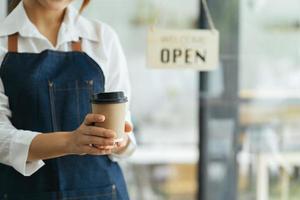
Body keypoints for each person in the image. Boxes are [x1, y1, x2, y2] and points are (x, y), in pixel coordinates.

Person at [0, 0, 137, 199]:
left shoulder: (102, 38)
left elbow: (125, 127)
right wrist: (70, 142)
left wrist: (119, 139)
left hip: (103, 191)